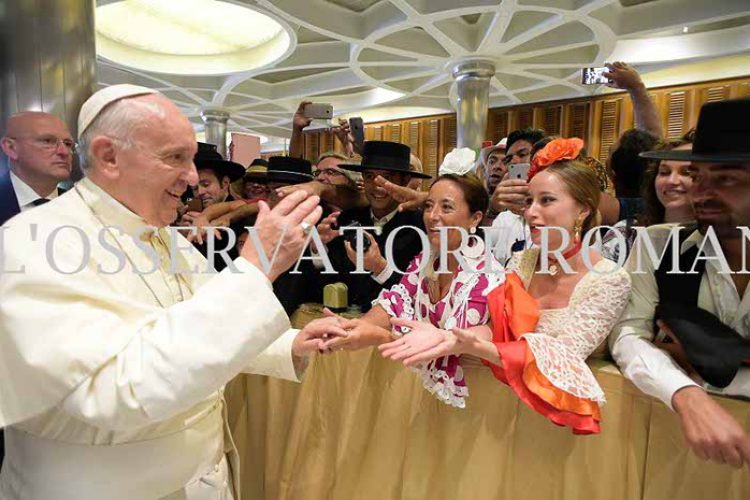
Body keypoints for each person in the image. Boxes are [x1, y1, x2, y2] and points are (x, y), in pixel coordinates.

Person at [0, 84, 339, 500]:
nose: (193, 177)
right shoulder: (29, 242)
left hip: (202, 478)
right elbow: (113, 394)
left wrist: (291, 345)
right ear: (109, 156)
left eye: (192, 160)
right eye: (175, 158)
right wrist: (256, 266)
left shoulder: (164, 236)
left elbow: (205, 324)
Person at [381, 138, 631, 434]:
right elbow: (496, 323)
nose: (530, 213)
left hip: (554, 420)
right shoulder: (522, 261)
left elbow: (560, 355)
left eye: (546, 200)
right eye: (529, 201)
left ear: (583, 211)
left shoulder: (608, 279)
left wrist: (469, 344)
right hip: (501, 411)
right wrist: (448, 336)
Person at [610, 98, 750, 468]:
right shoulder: (657, 243)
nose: (701, 192)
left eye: (726, 179)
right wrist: (684, 391)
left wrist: (713, 373)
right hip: (673, 447)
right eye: (698, 176)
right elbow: (628, 336)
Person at [316, 148, 501, 408]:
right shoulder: (426, 259)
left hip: (472, 402)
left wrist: (375, 335)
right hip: (419, 396)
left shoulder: (484, 276)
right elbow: (397, 301)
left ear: (475, 218)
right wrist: (357, 326)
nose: (432, 216)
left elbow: (443, 345)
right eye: (428, 205)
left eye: (446, 207)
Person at [0, 111, 75, 470]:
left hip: (66, 381)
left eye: (68, 144)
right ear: (9, 147)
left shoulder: (83, 212)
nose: (62, 151)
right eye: (48, 141)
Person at [318, 140, 431, 311]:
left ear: (404, 180)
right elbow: (322, 284)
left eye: (387, 178)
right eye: (370, 177)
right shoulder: (345, 220)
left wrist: (380, 268)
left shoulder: (422, 227)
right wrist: (318, 247)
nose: (378, 185)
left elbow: (422, 296)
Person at [0, 112, 74, 222]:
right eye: (47, 141)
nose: (64, 152)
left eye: (68, 144)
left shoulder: (83, 206)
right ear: (11, 148)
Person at [639, 129, 695, 227]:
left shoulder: (724, 238)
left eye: (686, 172)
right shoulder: (626, 233)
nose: (671, 181)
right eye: (664, 172)